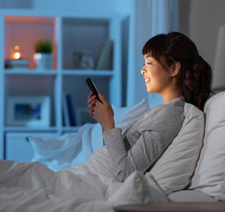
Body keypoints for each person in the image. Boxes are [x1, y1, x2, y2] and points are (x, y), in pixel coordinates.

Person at [87, 32, 212, 182]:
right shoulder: (163, 111)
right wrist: (104, 122)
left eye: (149, 63)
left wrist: (109, 123)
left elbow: (125, 173)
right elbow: (116, 156)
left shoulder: (169, 117)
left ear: (173, 69)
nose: (142, 70)